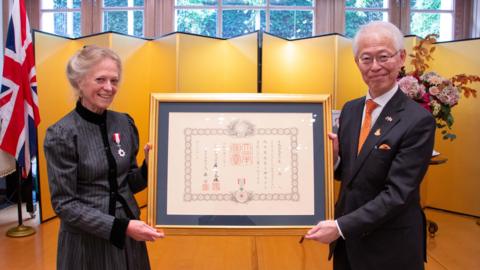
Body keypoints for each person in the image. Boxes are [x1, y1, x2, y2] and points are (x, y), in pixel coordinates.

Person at [304, 21, 435, 270]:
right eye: (366, 58)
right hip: (347, 241)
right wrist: (334, 160)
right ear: (357, 63)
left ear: (401, 58)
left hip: (390, 245)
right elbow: (351, 175)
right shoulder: (351, 110)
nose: (375, 66)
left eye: (383, 57)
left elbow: (397, 194)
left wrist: (341, 227)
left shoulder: (418, 120)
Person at [44, 45, 163, 270]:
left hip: (129, 234)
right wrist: (121, 227)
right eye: (100, 79)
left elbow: (127, 184)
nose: (109, 88)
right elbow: (65, 204)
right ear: (79, 81)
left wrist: (149, 166)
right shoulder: (62, 134)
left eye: (114, 80)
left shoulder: (124, 124)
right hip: (87, 241)